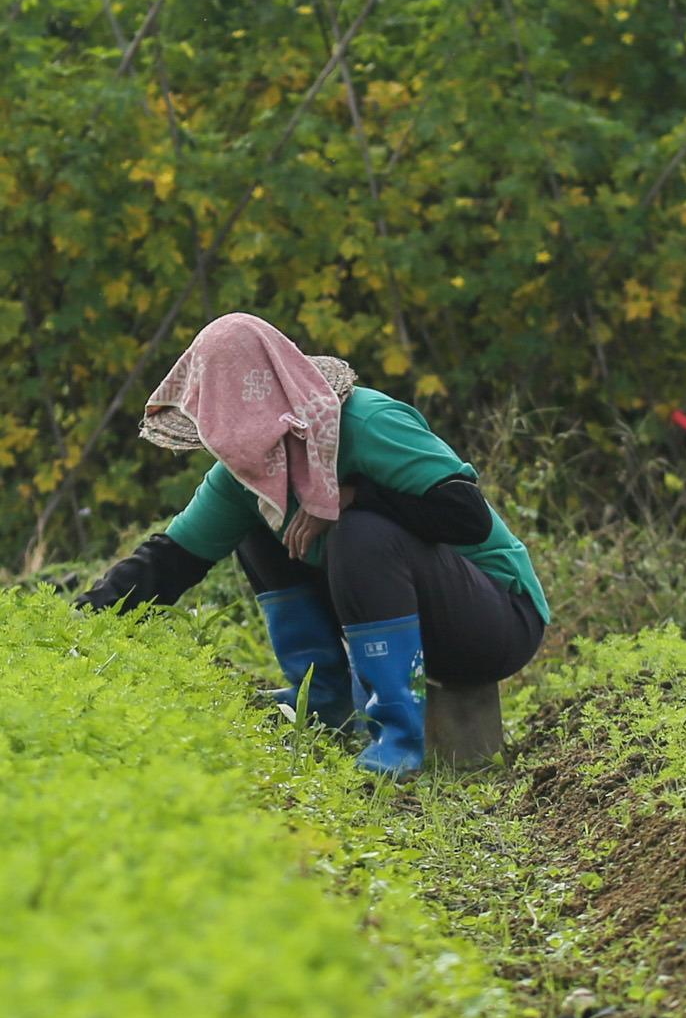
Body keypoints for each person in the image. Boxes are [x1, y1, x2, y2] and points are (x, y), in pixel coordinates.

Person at [79, 312, 548, 776]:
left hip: (493, 621)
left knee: (359, 532)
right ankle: (324, 701)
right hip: (404, 617)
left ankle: (399, 742)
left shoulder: (370, 423)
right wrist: (80, 622)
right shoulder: (243, 477)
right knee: (257, 524)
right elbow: (173, 557)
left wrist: (355, 497)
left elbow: (466, 516)